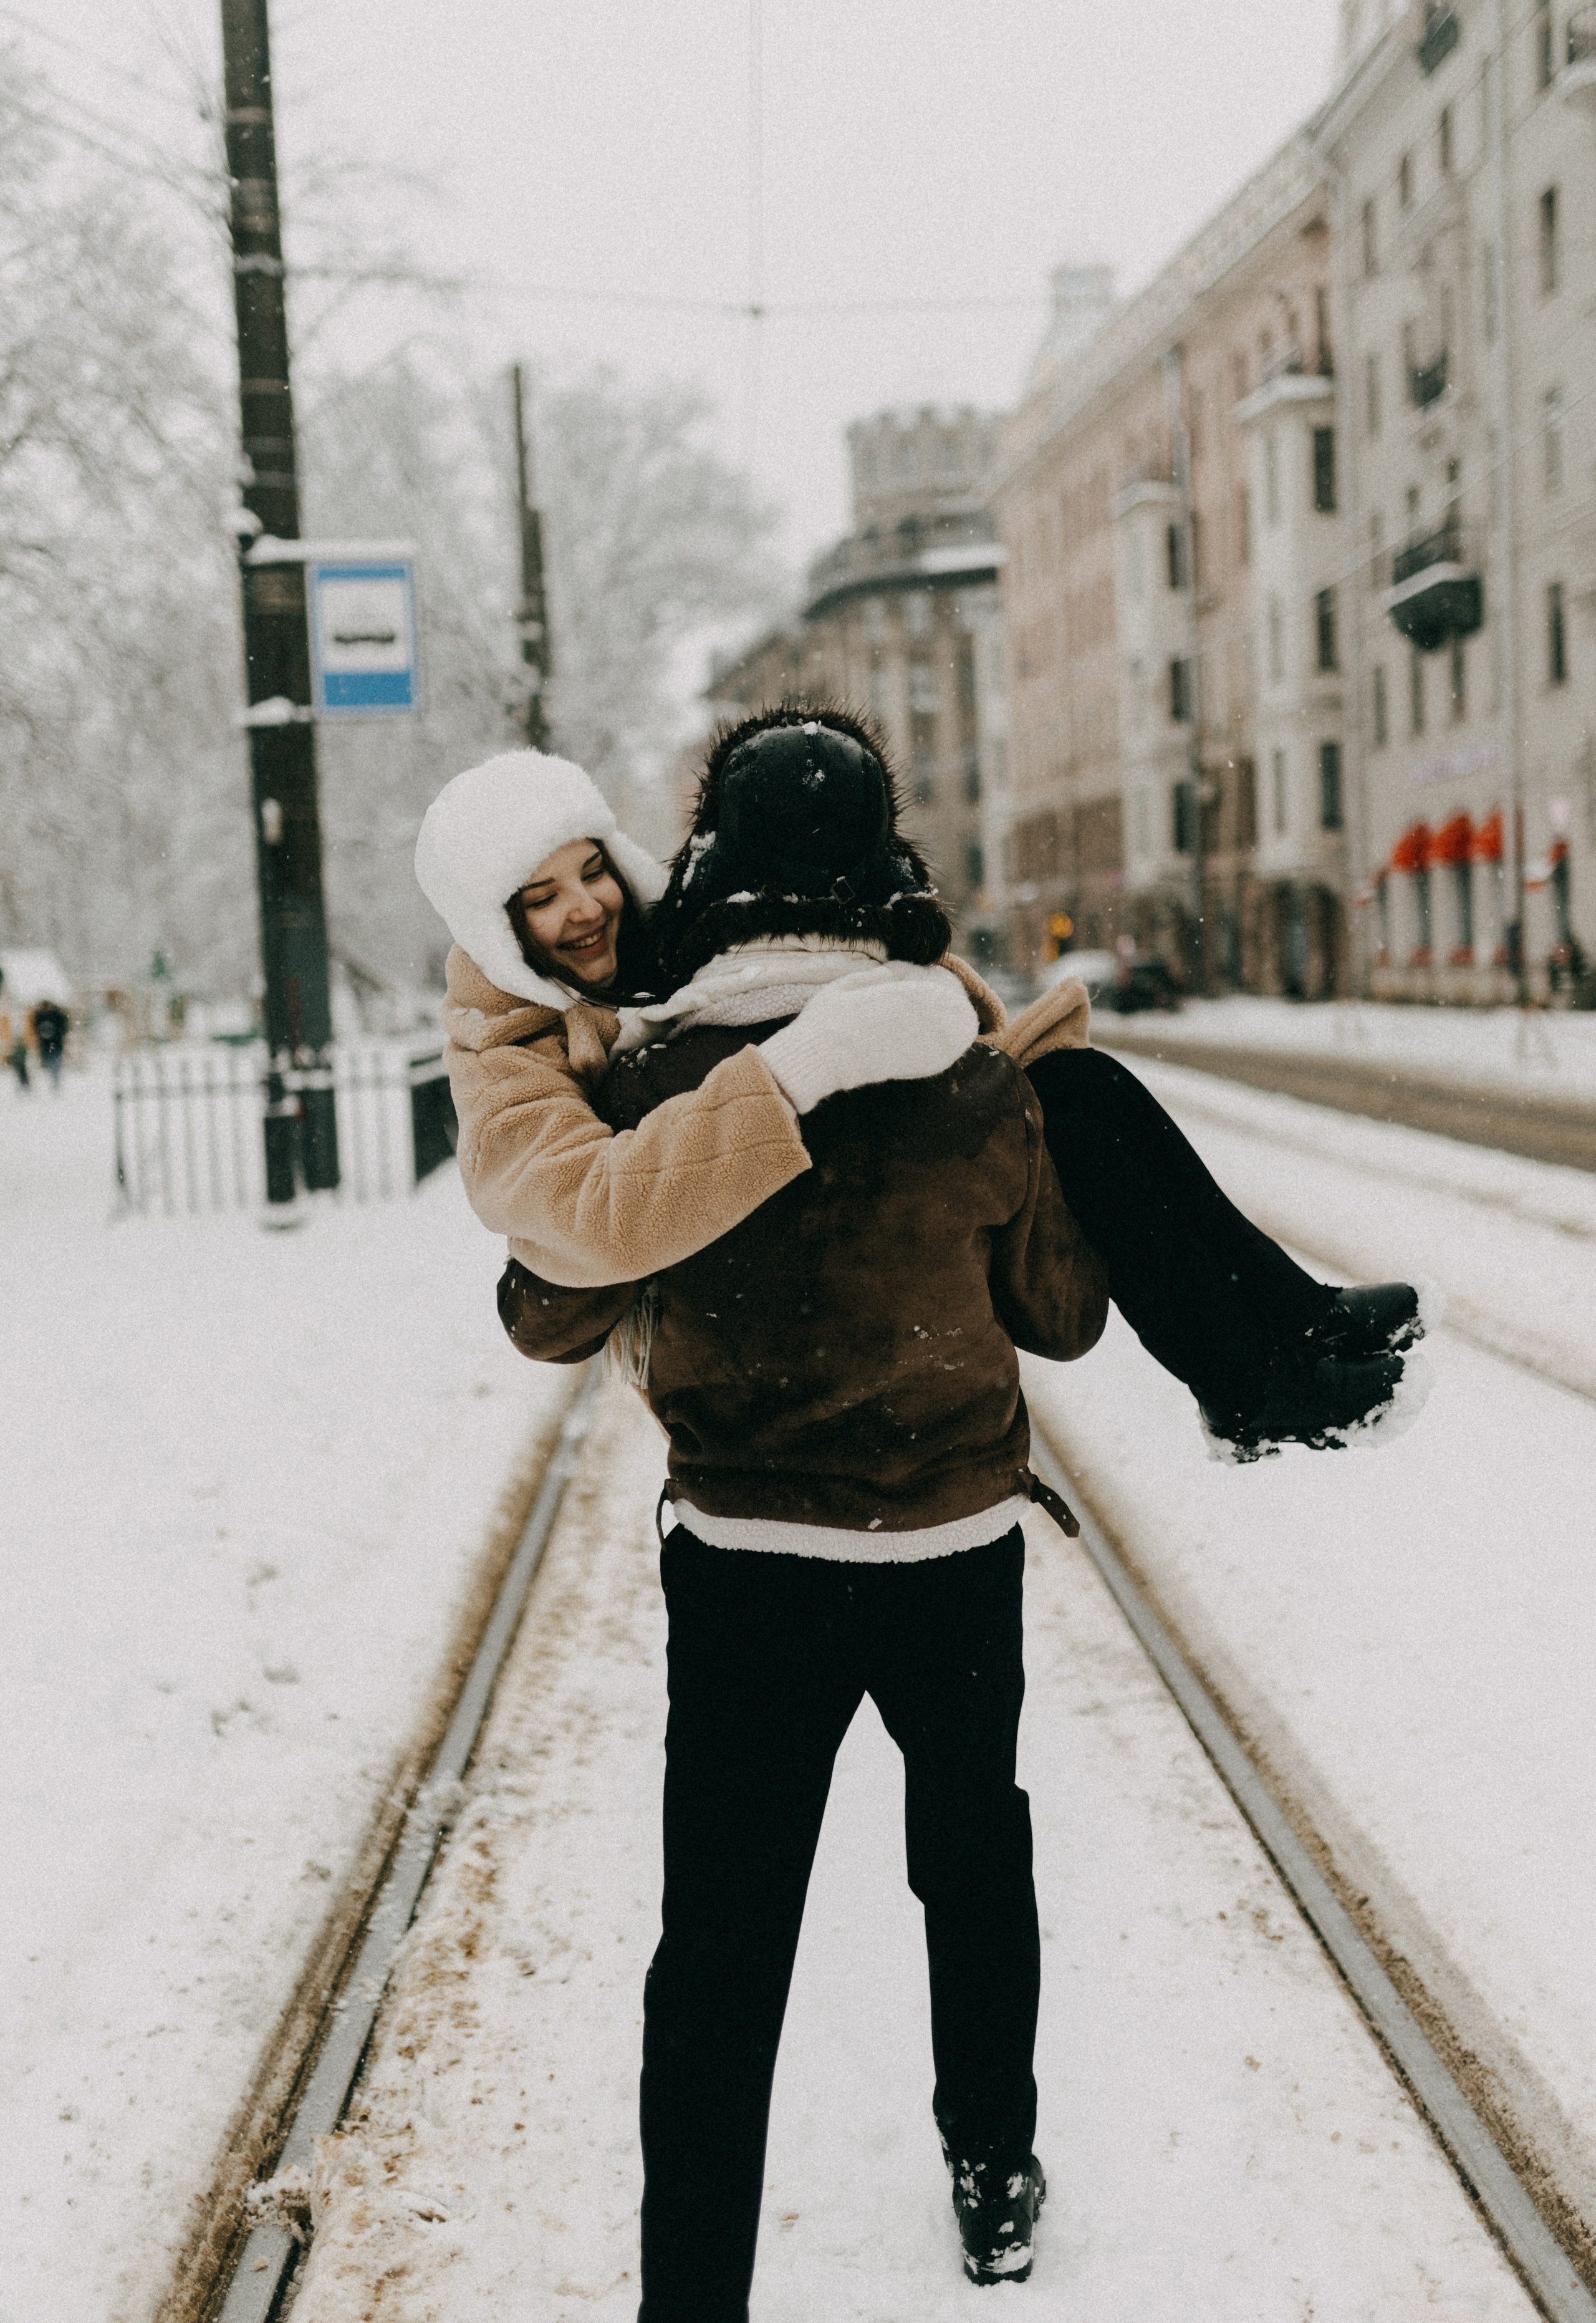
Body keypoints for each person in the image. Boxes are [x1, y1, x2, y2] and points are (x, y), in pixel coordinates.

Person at [487, 717, 1109, 2311]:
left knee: (719, 1943)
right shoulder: (967, 1081)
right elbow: (1058, 1317)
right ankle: (991, 2164)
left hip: (748, 1571)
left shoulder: (658, 1081)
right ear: (880, 868)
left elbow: (546, 1312)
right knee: (971, 1861)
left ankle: (690, 2289)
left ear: (708, 870)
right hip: (952, 1558)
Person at [416, 723, 1428, 1462]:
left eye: (591, 871)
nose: (587, 909)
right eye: (541, 900)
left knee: (1085, 1092)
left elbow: (839, 953)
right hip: (685, 1270)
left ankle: (1281, 1332)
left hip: (769, 1180)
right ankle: (1255, 1379)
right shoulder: (499, 1031)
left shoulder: (676, 923)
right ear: (497, 928)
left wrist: (995, 1045)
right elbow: (588, 1212)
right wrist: (800, 1065)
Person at [30, 997, 68, 1091]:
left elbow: (64, 1027)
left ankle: (55, 1081)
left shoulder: (56, 1015)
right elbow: (35, 1027)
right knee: (49, 1062)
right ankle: (54, 1080)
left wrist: (59, 1035)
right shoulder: (39, 1016)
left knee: (55, 1063)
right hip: (46, 1045)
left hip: (56, 1044)